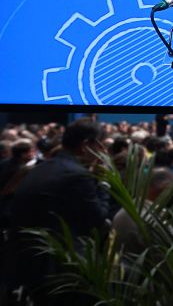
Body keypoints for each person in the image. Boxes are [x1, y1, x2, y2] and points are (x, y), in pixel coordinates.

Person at [8, 119, 111, 303]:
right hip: (61, 271)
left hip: (30, 263)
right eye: (101, 145)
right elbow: (98, 218)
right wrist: (103, 181)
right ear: (86, 145)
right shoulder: (77, 175)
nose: (103, 152)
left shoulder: (42, 168)